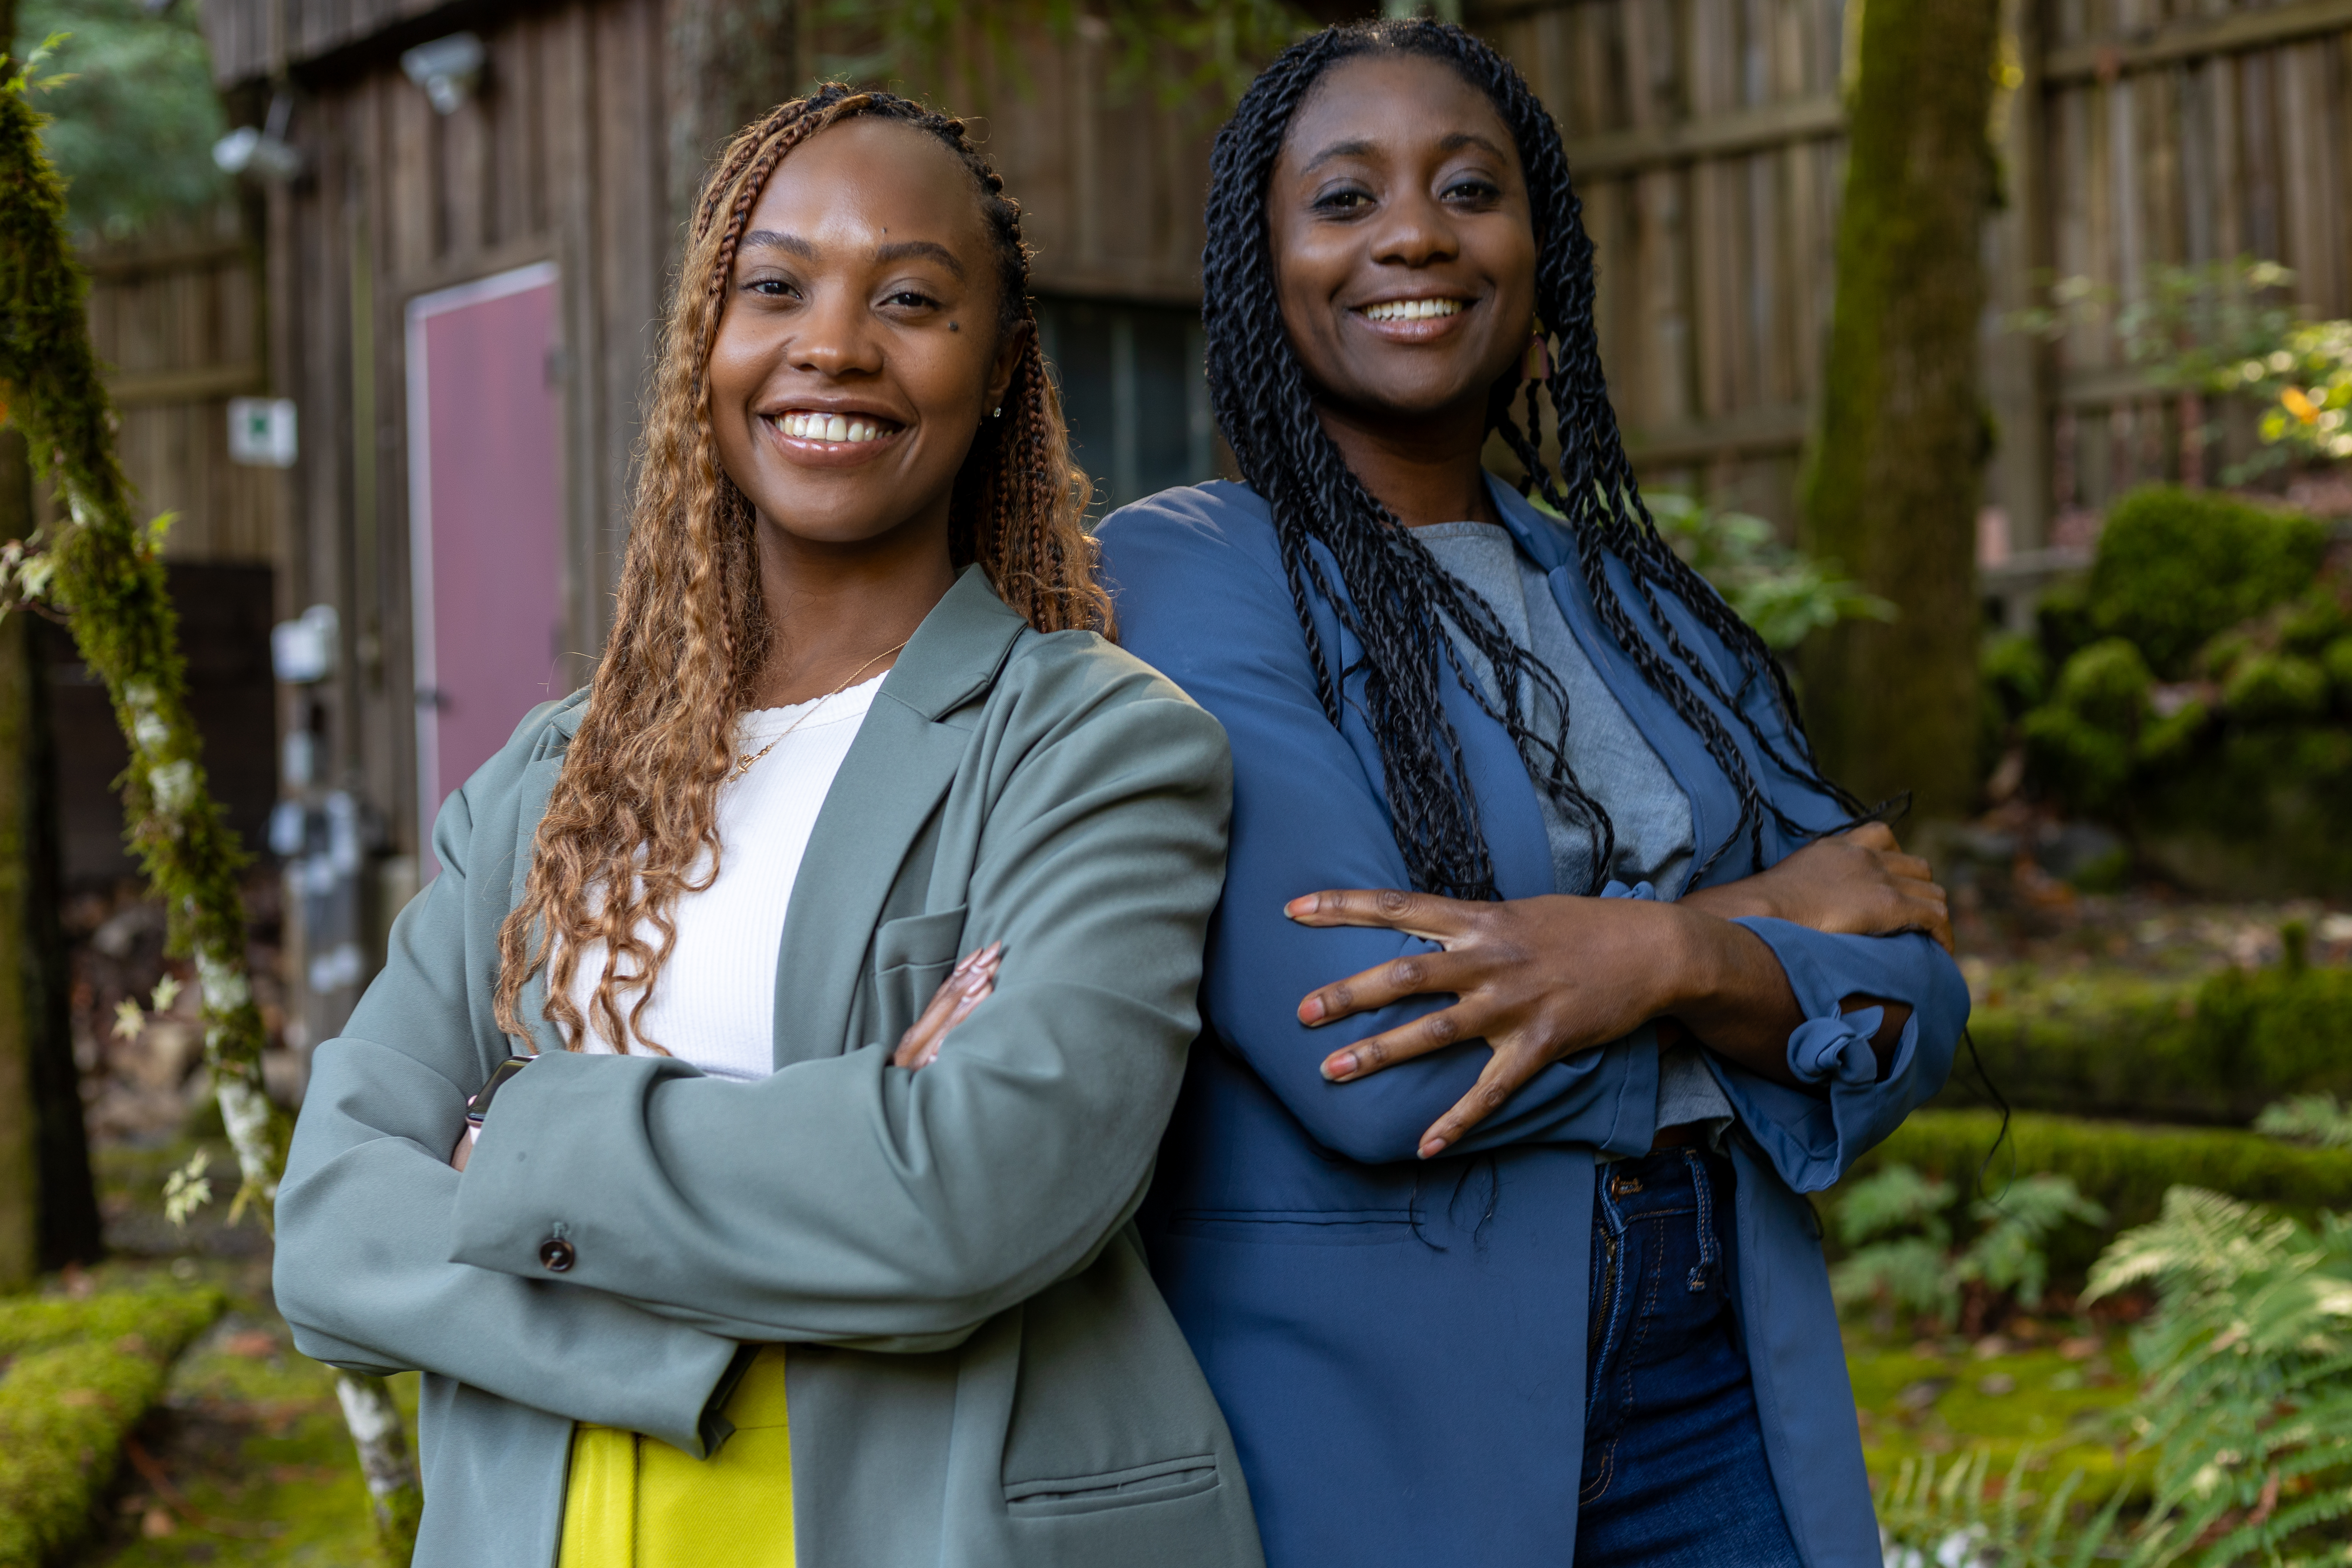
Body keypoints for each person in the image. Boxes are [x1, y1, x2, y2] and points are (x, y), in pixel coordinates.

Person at [273, 86, 1262, 1568]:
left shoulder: (1094, 746)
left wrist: (516, 1147)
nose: (834, 345)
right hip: (542, 1523)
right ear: (707, 344)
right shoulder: (555, 776)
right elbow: (333, 1224)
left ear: (997, 369)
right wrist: (778, 1229)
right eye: (775, 287)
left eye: (911, 299)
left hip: (922, 1522)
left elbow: (972, 1198)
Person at [1096, 20, 1969, 1568]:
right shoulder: (1189, 578)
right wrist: (1747, 948)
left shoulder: (1644, 604)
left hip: (1722, 1386)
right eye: (1345, 199)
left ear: (1539, 250)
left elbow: (1909, 1003)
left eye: (1468, 189)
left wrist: (1654, 958)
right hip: (1383, 1425)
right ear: (1261, 260)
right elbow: (1380, 1050)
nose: (1415, 233)